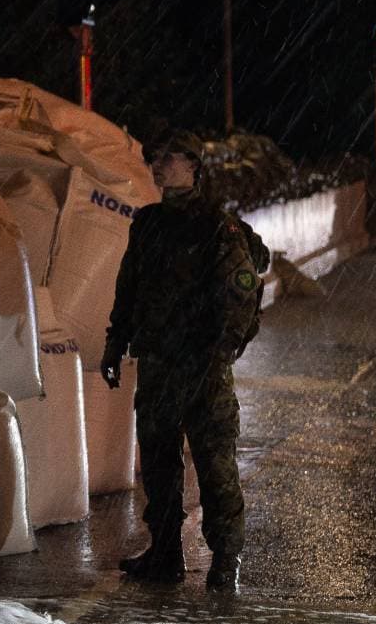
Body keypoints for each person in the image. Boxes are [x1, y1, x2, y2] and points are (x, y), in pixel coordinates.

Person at [99, 130, 268, 590]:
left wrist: (221, 351)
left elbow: (241, 292)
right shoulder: (148, 223)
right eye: (156, 156)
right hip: (158, 365)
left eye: (171, 157)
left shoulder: (218, 226)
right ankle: (165, 554)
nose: (160, 164)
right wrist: (115, 344)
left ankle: (224, 560)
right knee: (158, 462)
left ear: (194, 166)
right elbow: (128, 288)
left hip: (202, 367)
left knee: (215, 462)